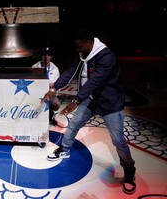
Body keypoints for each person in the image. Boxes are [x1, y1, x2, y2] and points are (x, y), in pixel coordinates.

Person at [41, 29, 136, 195]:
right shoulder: (84, 54)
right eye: (77, 49)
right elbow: (71, 71)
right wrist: (54, 88)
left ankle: (129, 170)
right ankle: (64, 149)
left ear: (89, 43)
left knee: (118, 140)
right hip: (91, 100)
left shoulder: (107, 57)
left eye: (80, 48)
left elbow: (94, 81)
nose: (79, 52)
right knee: (75, 123)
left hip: (110, 103)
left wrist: (76, 101)